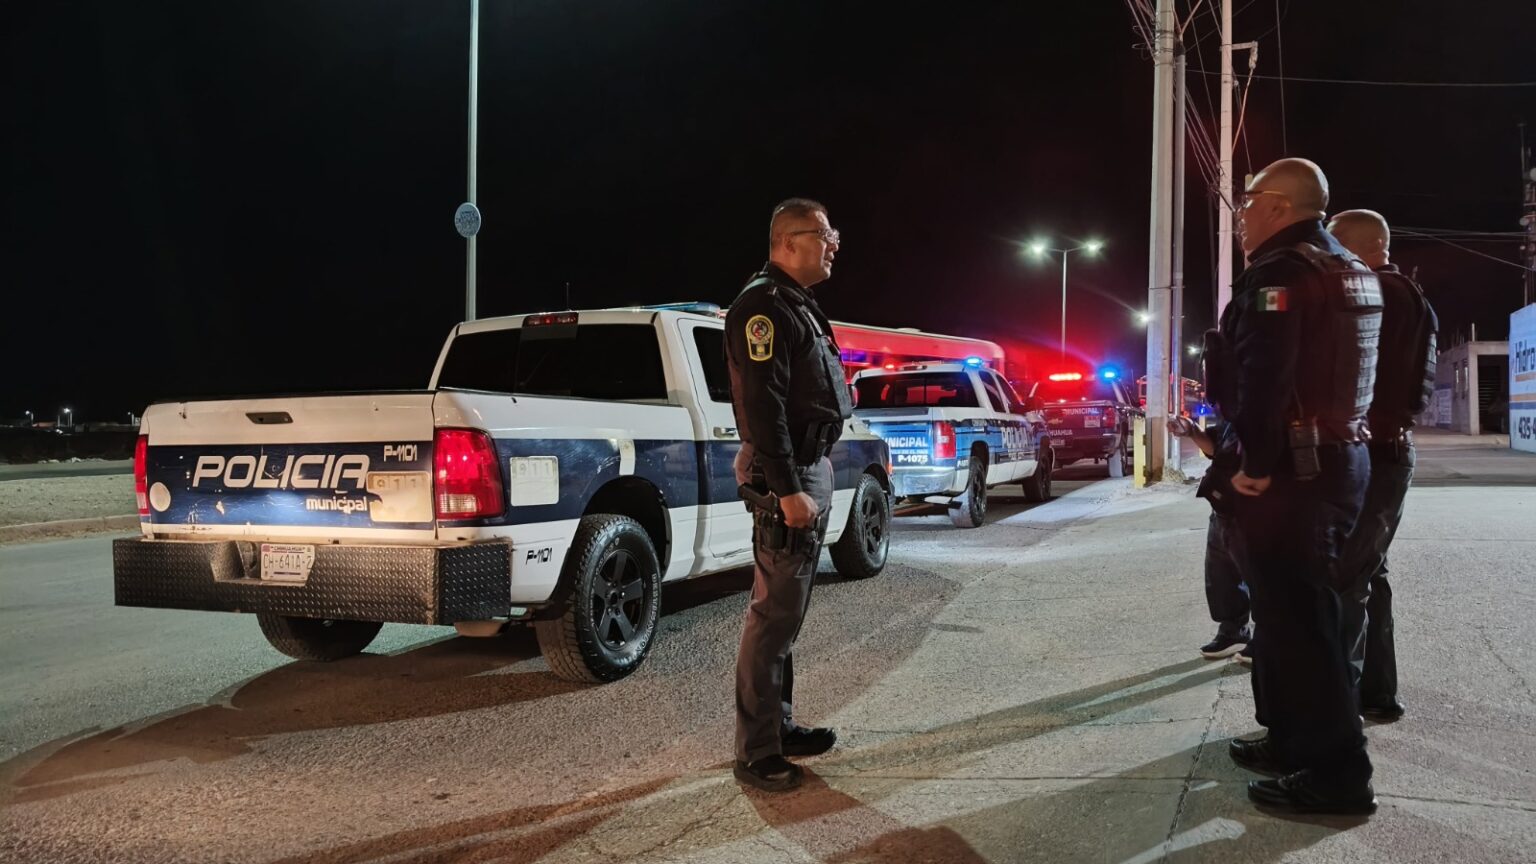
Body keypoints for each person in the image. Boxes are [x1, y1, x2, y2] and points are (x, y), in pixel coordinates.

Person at [1215, 158, 1383, 815]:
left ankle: (1339, 776)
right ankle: (1292, 742)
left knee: (1304, 627)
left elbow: (1266, 377)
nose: (1243, 216)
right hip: (1339, 459)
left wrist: (1254, 464)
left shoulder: (1280, 274)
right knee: (1290, 623)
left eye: (1248, 202)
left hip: (1295, 472)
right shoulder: (1347, 265)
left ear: (1280, 207)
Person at [724, 198, 853, 792]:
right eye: (824, 235)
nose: (834, 244)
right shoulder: (763, 307)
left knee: (789, 610)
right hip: (791, 474)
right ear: (788, 242)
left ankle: (781, 727)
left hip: (808, 464)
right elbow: (763, 405)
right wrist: (787, 488)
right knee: (773, 615)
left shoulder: (797, 305)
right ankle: (756, 751)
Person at [1327, 209, 1439, 722]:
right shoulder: (1408, 294)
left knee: (1344, 582)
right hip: (1389, 452)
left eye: (1334, 247)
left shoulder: (1382, 294)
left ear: (1358, 248)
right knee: (1370, 576)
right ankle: (1376, 694)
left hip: (1377, 454)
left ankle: (1336, 715)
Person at [1170, 411, 1250, 661]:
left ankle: (1269, 638)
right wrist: (1191, 430)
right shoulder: (1233, 404)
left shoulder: (1268, 394)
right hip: (1224, 502)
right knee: (1220, 572)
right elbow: (1216, 447)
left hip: (1255, 503)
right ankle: (1233, 630)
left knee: (1262, 574)